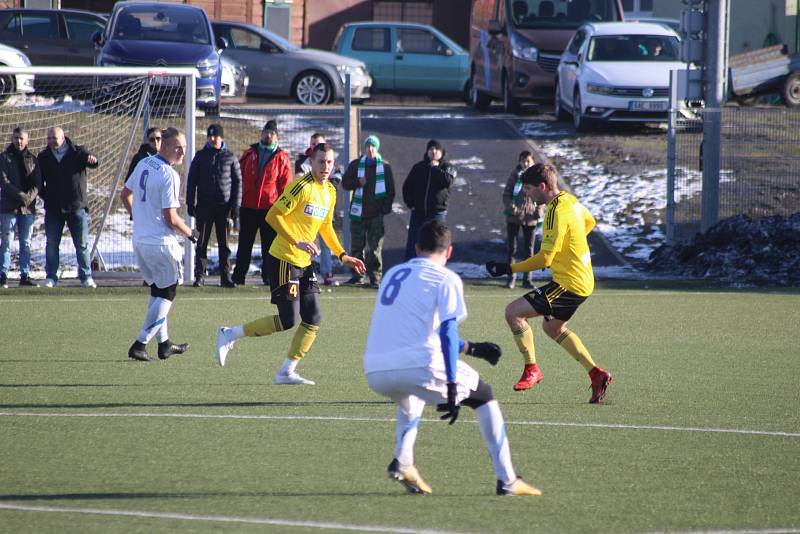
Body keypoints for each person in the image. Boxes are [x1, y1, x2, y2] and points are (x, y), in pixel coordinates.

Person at [363, 220, 541, 496]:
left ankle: (404, 461)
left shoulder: (393, 273)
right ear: (449, 252)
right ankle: (507, 480)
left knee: (412, 396)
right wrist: (451, 383)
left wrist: (471, 347)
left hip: (375, 369)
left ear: (417, 247)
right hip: (415, 364)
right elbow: (446, 331)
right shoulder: (446, 278)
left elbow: (416, 331)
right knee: (483, 395)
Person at [215, 143, 366, 384]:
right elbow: (273, 215)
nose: (325, 167)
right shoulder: (301, 186)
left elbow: (325, 227)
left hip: (304, 262)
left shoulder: (330, 191)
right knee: (288, 319)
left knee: (313, 318)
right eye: (321, 162)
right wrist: (297, 241)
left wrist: (342, 255)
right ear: (312, 162)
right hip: (284, 258)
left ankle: (286, 371)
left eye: (329, 162)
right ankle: (229, 334)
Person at [486, 163, 612, 402]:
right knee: (552, 328)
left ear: (542, 187)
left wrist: (509, 268)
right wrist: (570, 246)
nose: (529, 195)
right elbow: (590, 222)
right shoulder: (570, 200)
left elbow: (545, 258)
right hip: (582, 281)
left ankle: (532, 369)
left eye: (531, 190)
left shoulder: (555, 211)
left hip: (569, 284)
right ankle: (596, 374)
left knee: (513, 313)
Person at [120, 127, 197, 362]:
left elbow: (125, 194)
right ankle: (140, 343)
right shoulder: (169, 174)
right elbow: (171, 218)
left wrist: (139, 217)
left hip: (141, 240)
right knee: (168, 292)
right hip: (160, 244)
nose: (182, 152)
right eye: (177, 148)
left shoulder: (144, 162)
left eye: (184, 148)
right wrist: (191, 233)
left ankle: (164, 344)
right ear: (163, 146)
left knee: (158, 290)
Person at [232, 120, 293, 286]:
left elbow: (285, 186)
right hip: (248, 206)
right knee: (244, 245)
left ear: (276, 136)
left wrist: (284, 211)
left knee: (270, 246)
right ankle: (239, 277)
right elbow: (238, 177)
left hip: (270, 208)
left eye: (272, 133)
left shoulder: (282, 158)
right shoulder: (250, 153)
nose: (268, 135)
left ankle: (269, 277)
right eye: (266, 132)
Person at [38, 126, 99, 288]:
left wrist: (93, 159)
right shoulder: (43, 157)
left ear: (63, 138)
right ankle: (51, 277)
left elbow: (92, 161)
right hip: (54, 209)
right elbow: (39, 182)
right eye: (49, 138)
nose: (51, 141)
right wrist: (48, 197)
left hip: (76, 208)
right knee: (52, 244)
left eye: (54, 138)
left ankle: (86, 277)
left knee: (82, 244)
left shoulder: (77, 152)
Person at [186, 123, 242, 288]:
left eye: (214, 136)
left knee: (224, 244)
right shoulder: (201, 156)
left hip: (224, 207)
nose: (211, 139)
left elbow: (238, 183)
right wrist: (190, 202)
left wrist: (235, 206)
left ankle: (225, 277)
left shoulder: (230, 156)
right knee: (201, 242)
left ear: (221, 137)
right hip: (204, 206)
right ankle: (200, 276)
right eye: (209, 136)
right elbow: (191, 180)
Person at [341, 134, 395, 286]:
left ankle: (375, 277)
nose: (370, 149)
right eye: (368, 146)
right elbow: (345, 183)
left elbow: (390, 190)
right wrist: (358, 181)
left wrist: (384, 208)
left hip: (376, 214)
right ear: (364, 148)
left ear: (377, 148)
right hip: (358, 212)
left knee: (375, 247)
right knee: (357, 246)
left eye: (373, 146)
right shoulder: (356, 164)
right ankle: (357, 275)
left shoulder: (384, 166)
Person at [295, 132, 339, 286]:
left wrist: (343, 255)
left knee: (326, 242)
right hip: (306, 213)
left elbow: (335, 180)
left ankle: (327, 273)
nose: (325, 166)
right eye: (312, 144)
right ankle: (304, 272)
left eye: (318, 143)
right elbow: (299, 179)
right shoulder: (303, 162)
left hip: (323, 209)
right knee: (306, 242)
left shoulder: (329, 162)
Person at [0, 127, 42, 288]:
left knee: (26, 243)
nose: (19, 141)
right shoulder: (4, 158)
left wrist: (29, 197)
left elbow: (38, 183)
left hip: (27, 209)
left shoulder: (33, 159)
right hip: (8, 208)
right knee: (7, 242)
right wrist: (21, 196)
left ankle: (25, 275)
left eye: (22, 138)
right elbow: (4, 182)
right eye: (16, 138)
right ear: (12, 139)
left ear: (27, 140)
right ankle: (3, 274)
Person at [402, 139, 457, 260]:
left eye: (437, 149)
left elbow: (448, 181)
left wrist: (435, 169)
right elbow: (407, 187)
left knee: (435, 242)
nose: (433, 151)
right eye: (431, 149)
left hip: (437, 213)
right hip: (418, 212)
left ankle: (434, 267)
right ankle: (410, 267)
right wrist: (411, 203)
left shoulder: (448, 167)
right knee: (414, 242)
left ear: (442, 152)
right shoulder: (419, 167)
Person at [502, 150, 545, 289]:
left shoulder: (538, 177)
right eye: (523, 161)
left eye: (528, 161)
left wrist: (539, 211)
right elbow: (507, 194)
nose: (525, 163)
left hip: (531, 218)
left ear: (532, 161)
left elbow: (541, 197)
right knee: (512, 249)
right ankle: (511, 277)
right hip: (514, 218)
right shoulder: (515, 175)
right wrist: (512, 208)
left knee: (529, 250)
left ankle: (527, 279)